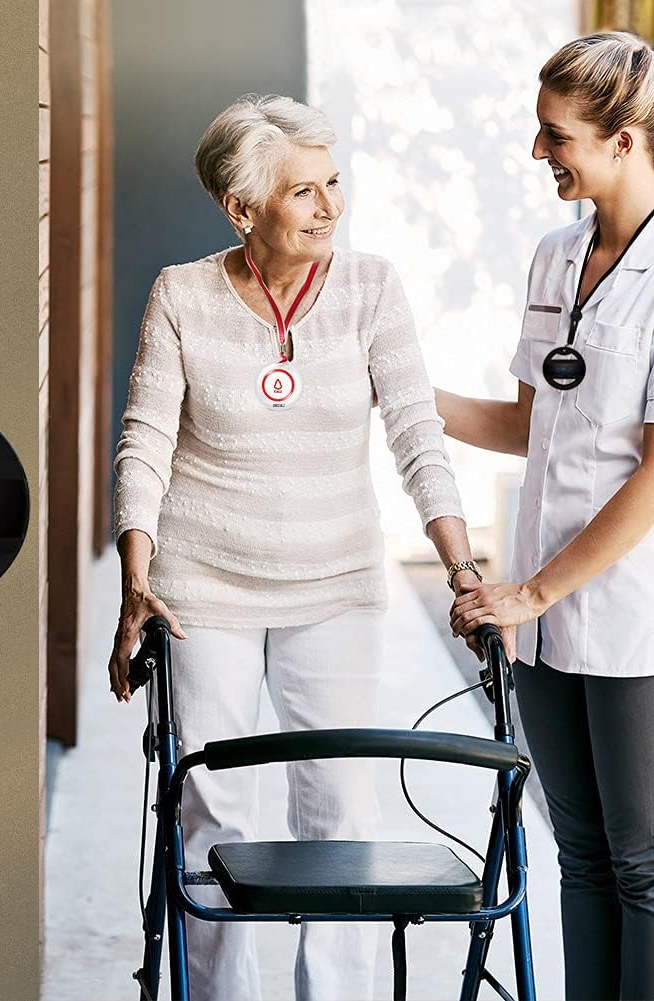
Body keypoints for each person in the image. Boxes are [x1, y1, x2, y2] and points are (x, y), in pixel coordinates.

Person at [109, 94, 480, 1001]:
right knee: (216, 809)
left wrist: (463, 568)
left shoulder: (369, 288)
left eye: (333, 184)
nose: (329, 206)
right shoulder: (182, 294)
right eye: (303, 191)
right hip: (204, 588)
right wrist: (134, 579)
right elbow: (144, 439)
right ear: (242, 210)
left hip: (334, 585)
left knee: (337, 812)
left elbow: (415, 434)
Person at [439, 32, 654, 1000]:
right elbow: (530, 423)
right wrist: (393, 389)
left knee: (642, 862)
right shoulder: (552, 254)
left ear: (621, 139)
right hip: (545, 610)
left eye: (553, 135)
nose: (538, 153)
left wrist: (531, 588)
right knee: (576, 849)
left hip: (629, 610)